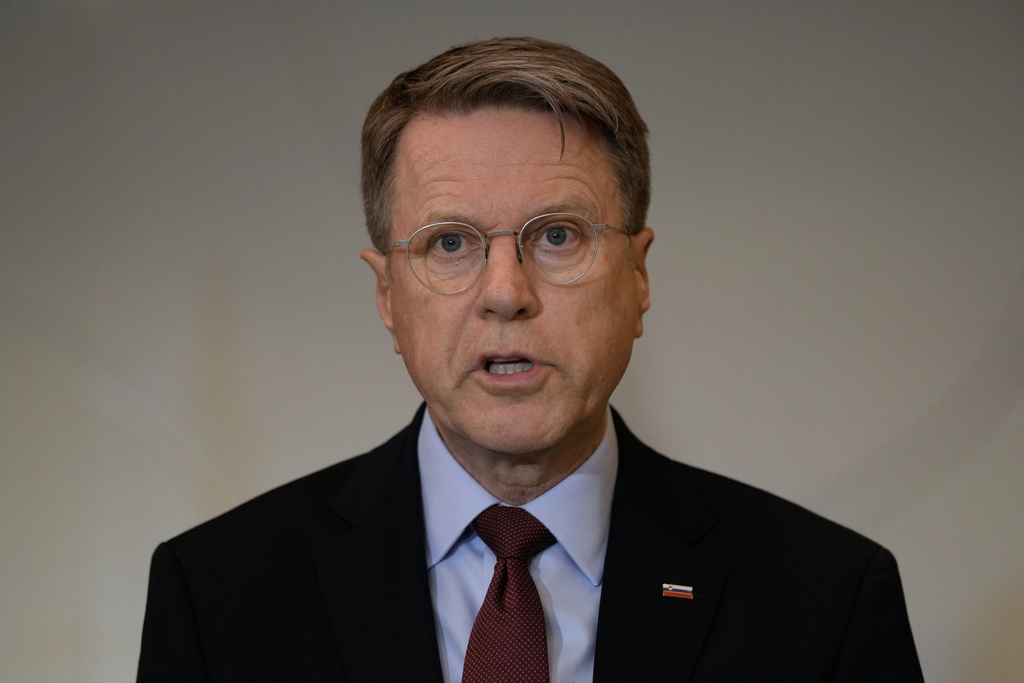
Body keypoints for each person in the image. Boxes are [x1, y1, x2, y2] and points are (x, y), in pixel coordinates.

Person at [137, 37, 924, 682]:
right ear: (387, 296)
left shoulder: (826, 600)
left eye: (558, 236)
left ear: (639, 274)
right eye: (450, 243)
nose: (506, 293)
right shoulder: (219, 595)